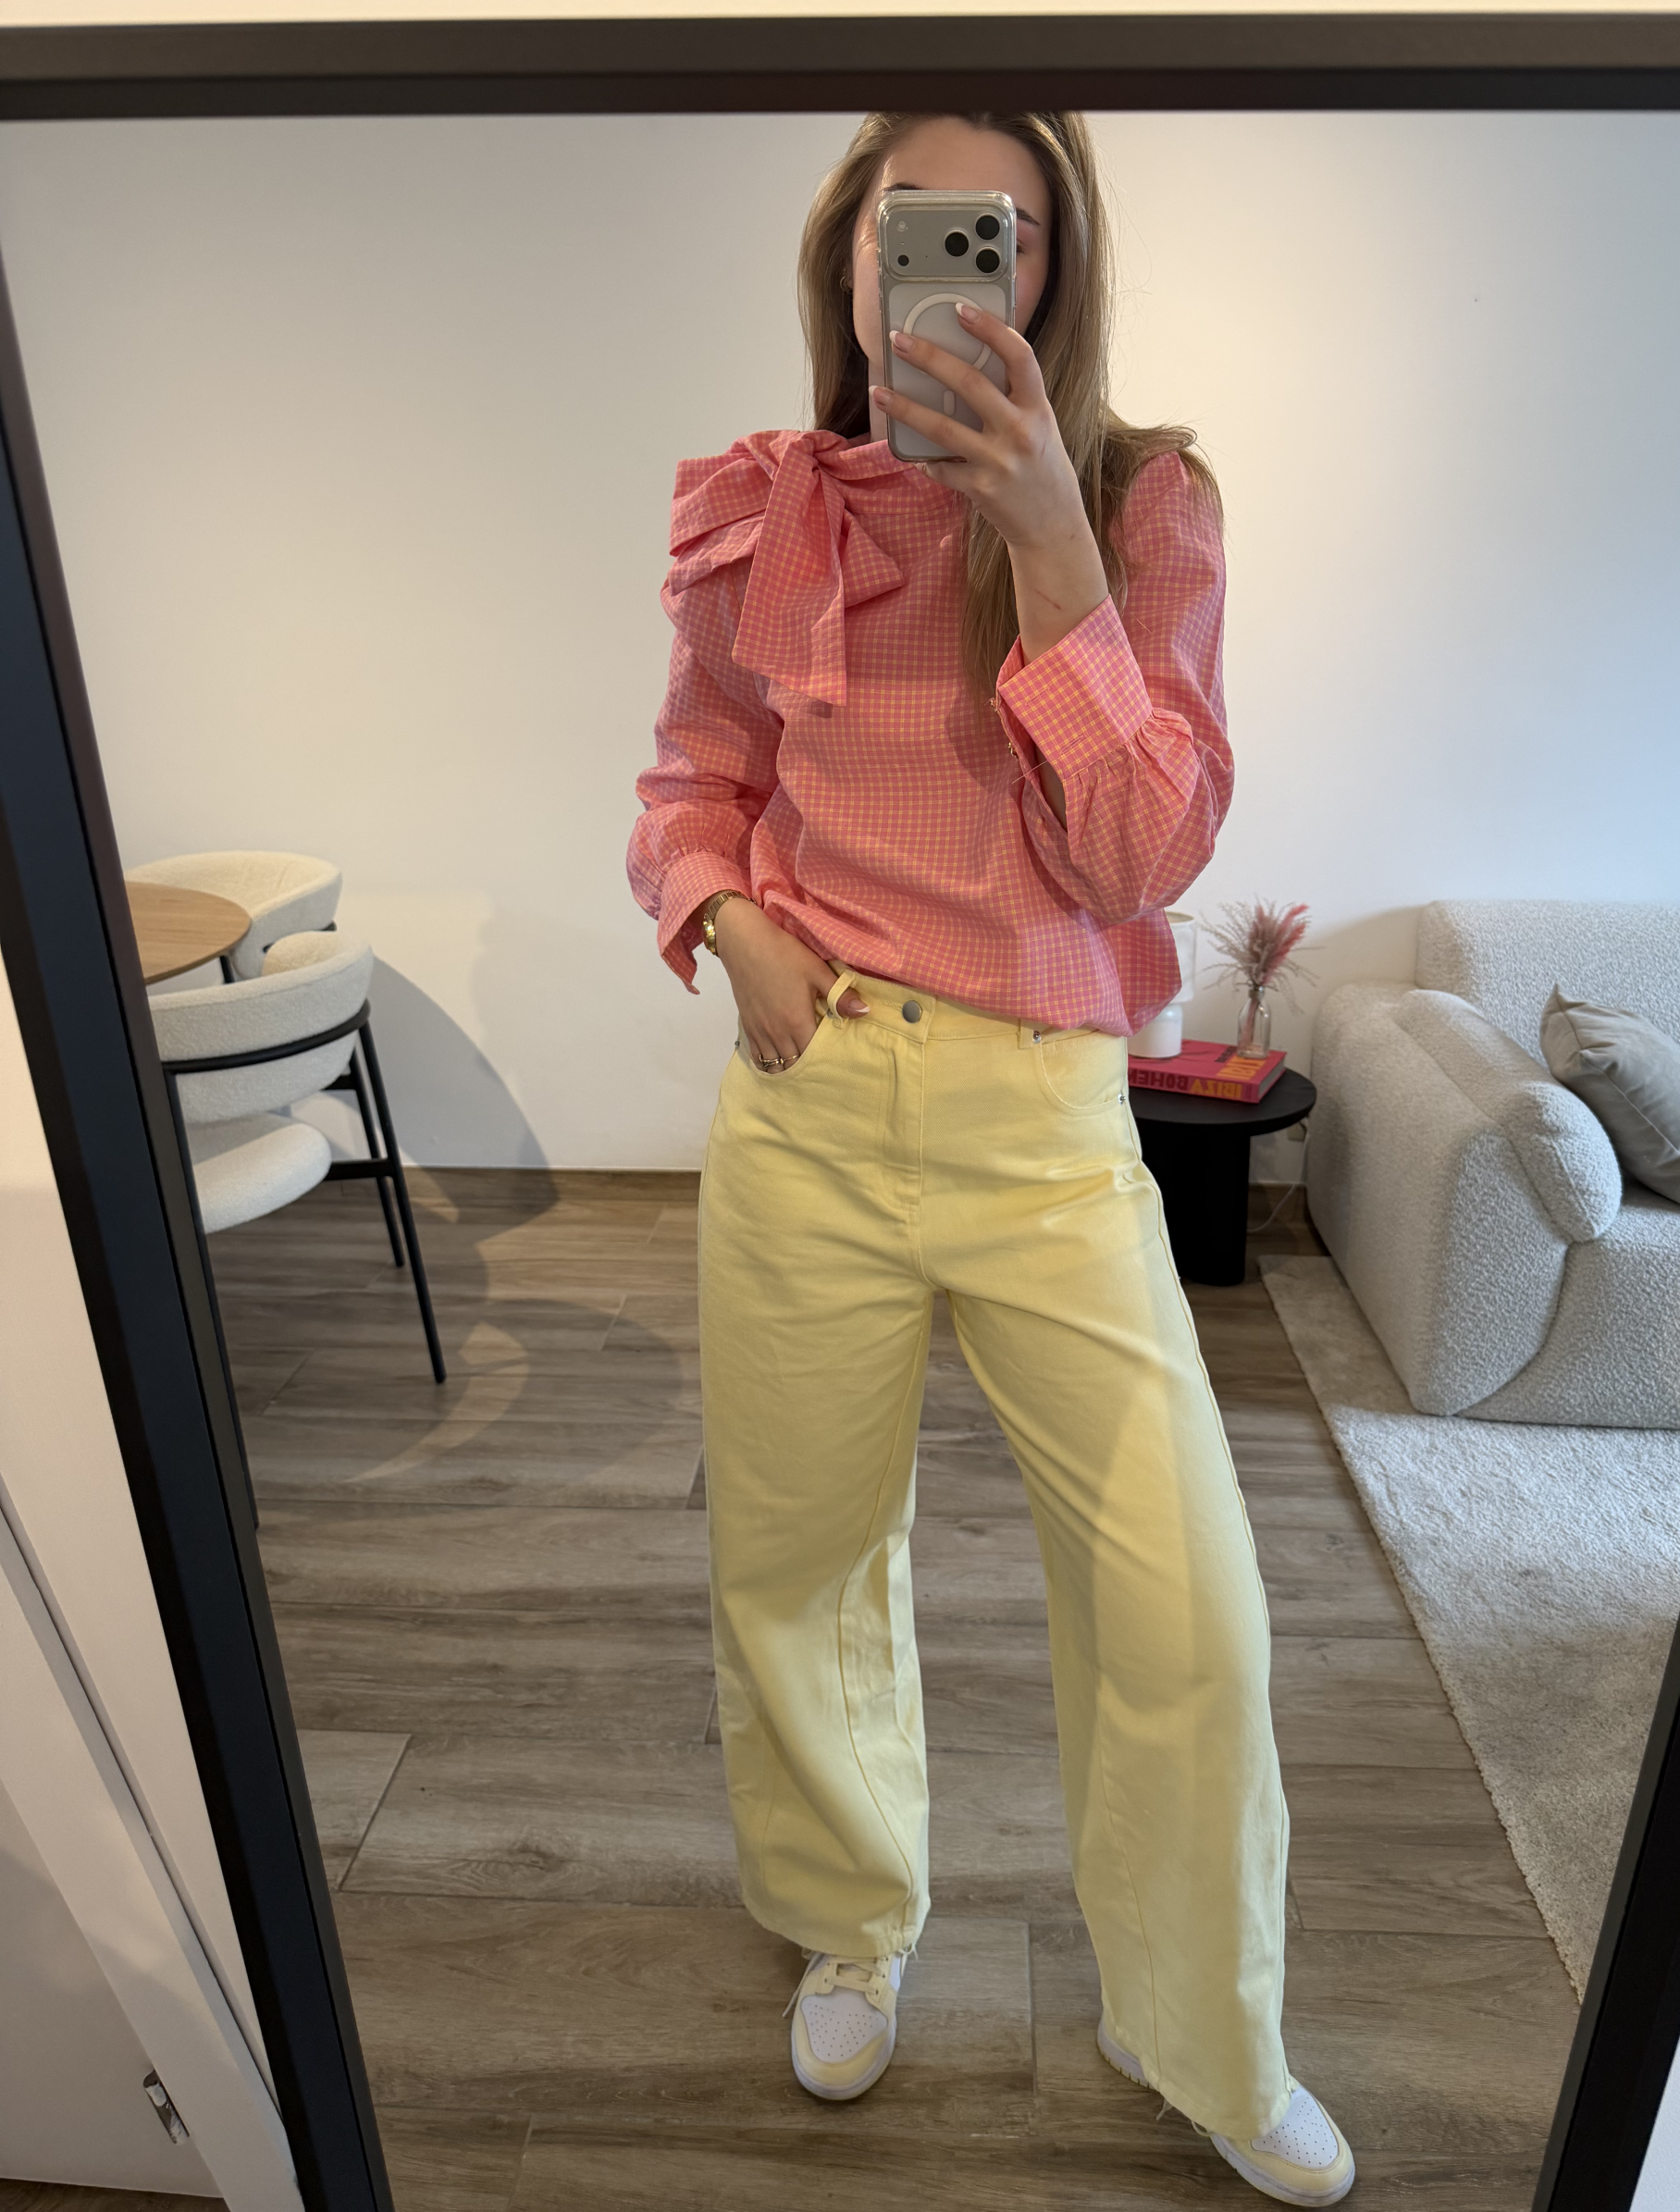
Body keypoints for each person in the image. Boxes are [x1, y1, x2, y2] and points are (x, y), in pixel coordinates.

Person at [626, 110, 1354, 2206]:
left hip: (1044, 1120)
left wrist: (1050, 539)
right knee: (797, 1559)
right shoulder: (764, 502)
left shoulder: (1146, 502)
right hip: (815, 1098)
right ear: (850, 260)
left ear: (1050, 276)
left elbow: (1138, 851)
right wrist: (732, 921)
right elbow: (687, 780)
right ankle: (852, 1922)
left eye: (1004, 237)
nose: (954, 268)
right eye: (916, 227)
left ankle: (1205, 2028)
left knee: (1187, 1603)